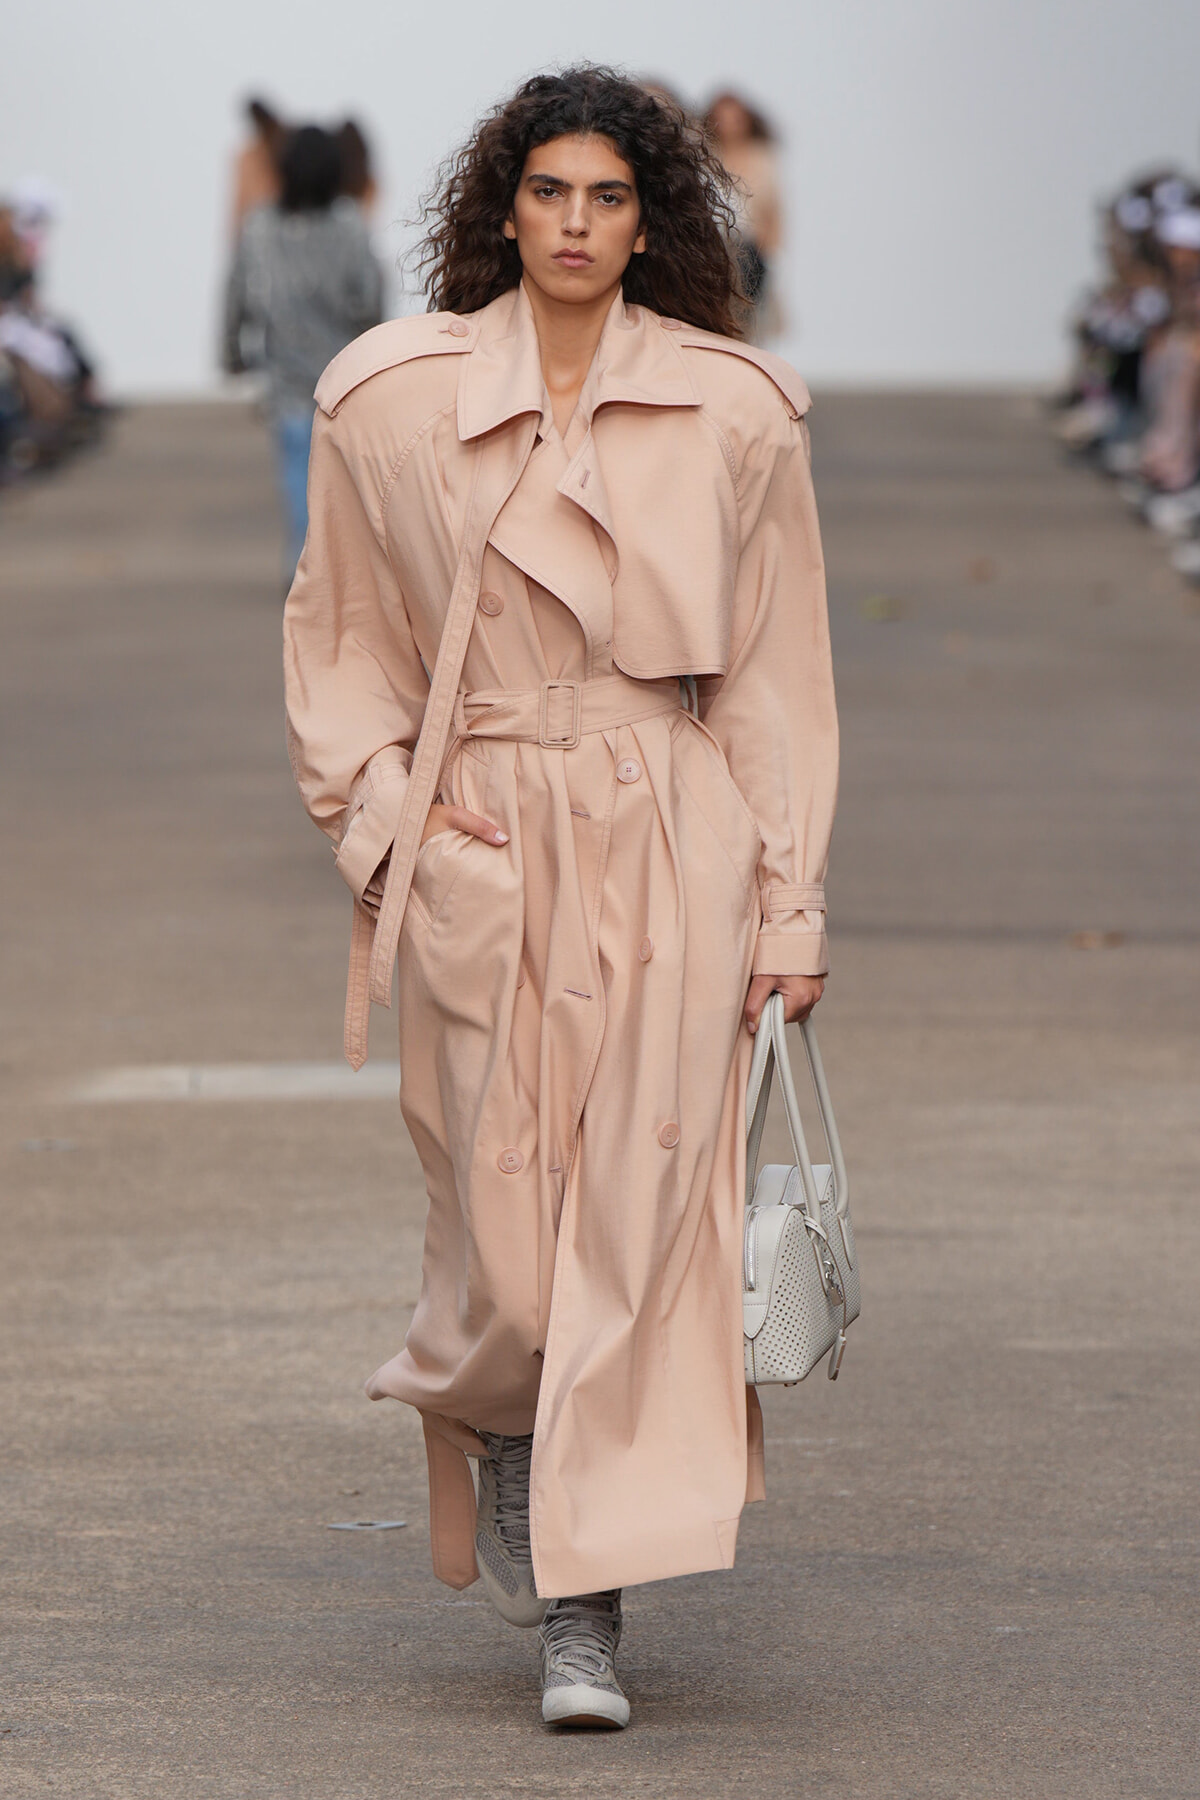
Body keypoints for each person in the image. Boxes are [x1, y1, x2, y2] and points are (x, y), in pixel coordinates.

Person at [282, 66, 837, 1730]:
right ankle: (501, 1434)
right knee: (510, 1252)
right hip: (487, 843)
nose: (579, 226)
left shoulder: (739, 413)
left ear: (649, 213)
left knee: (638, 1240)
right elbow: (341, 640)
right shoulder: (388, 401)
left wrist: (788, 908)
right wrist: (393, 824)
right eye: (550, 194)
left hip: (676, 835)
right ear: (501, 209)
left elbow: (776, 684)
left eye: (609, 197)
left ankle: (582, 1615)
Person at [223, 125, 384, 578]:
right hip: (345, 380)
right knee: (350, 487)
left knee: (298, 481)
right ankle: (339, 577)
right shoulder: (350, 224)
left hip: (288, 383)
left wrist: (232, 354)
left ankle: (306, 575)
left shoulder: (260, 227)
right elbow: (370, 297)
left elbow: (237, 294)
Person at [702, 89, 784, 342]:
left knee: (748, 322)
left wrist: (766, 249)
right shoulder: (705, 156)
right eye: (722, 118)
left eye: (734, 118)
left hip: (750, 252)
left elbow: (775, 211)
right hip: (712, 252)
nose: (728, 126)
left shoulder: (762, 159)